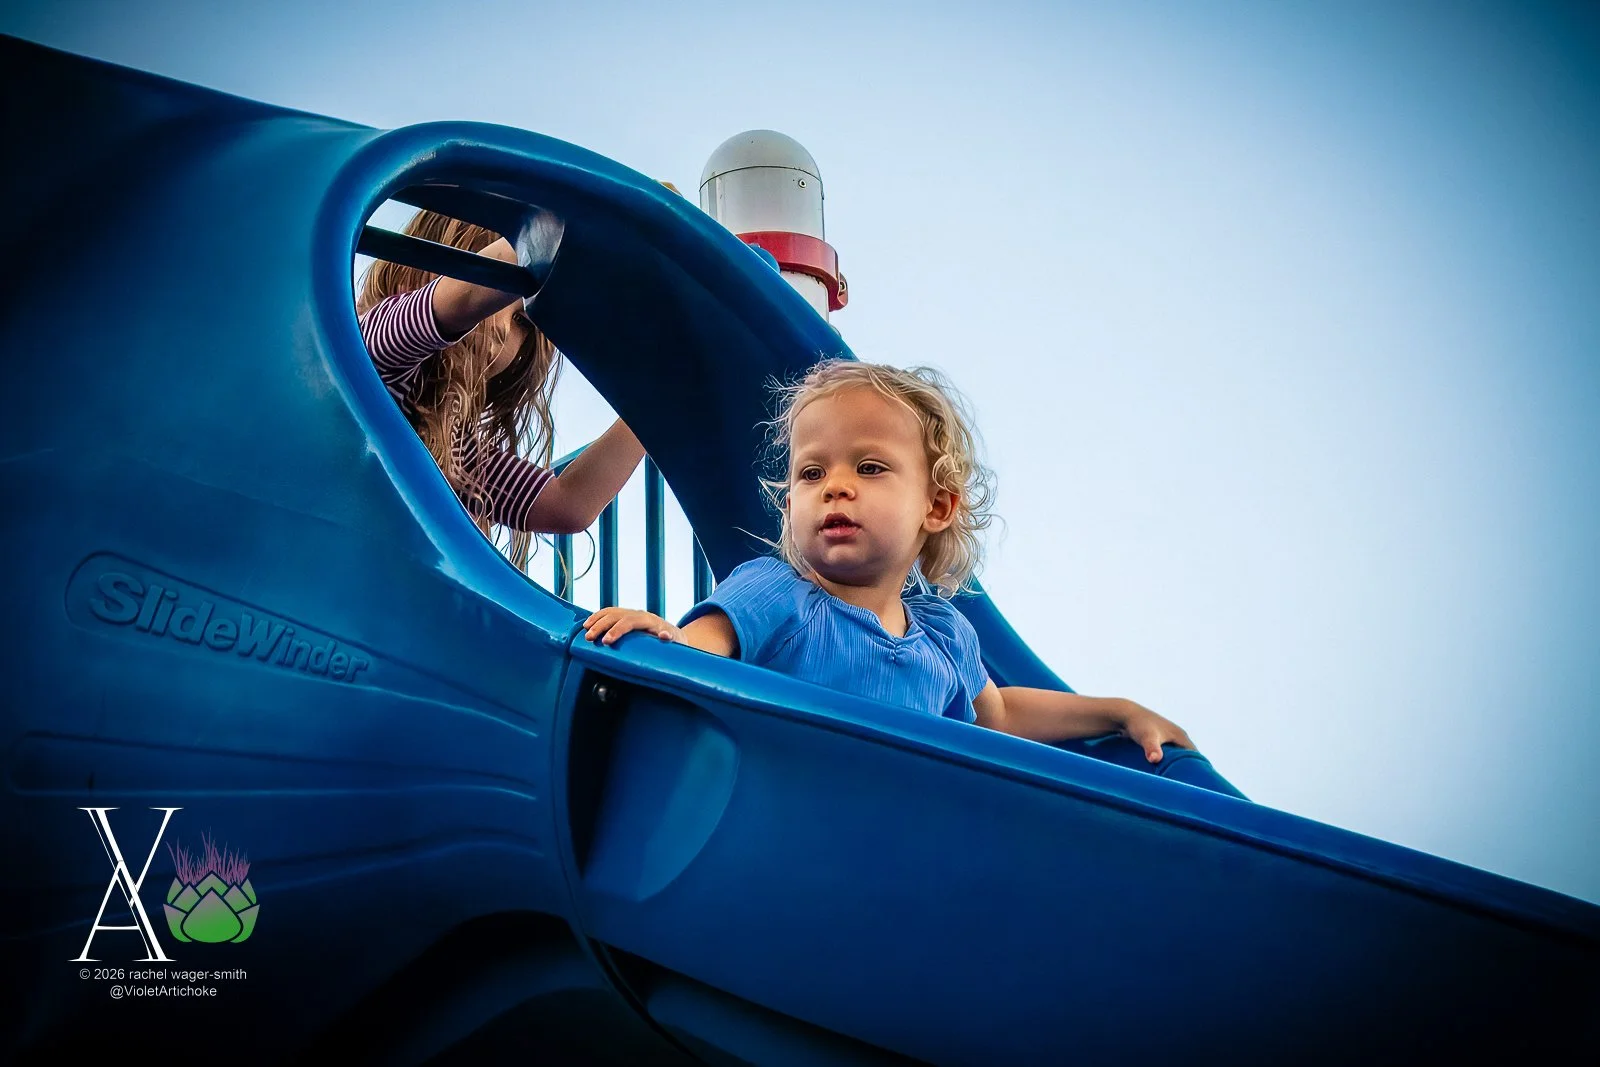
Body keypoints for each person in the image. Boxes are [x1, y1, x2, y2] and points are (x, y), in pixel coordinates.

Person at [581, 359, 1193, 762]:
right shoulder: (777, 592)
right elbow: (700, 649)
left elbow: (1001, 714)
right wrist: (662, 637)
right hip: (786, 831)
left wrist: (1117, 711)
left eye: (869, 468)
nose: (835, 486)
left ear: (938, 505)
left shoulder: (945, 635)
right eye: (812, 472)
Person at [356, 208, 645, 571]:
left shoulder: (453, 448)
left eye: (522, 321)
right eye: (497, 295)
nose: (502, 330)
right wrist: (600, 220)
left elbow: (567, 504)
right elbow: (461, 298)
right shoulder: (368, 354)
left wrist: (655, 397)